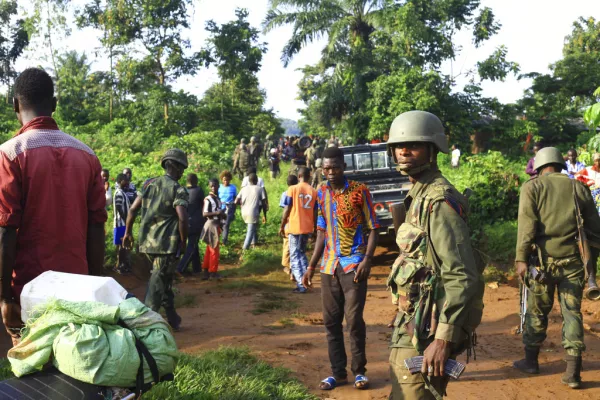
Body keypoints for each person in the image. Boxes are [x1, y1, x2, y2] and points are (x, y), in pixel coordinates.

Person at [0, 68, 107, 343]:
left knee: (33, 372)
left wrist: (5, 297)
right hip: (78, 289)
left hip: (30, 291)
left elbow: (5, 231)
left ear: (15, 105)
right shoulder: (88, 156)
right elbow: (97, 227)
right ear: (55, 104)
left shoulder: (10, 154)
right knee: (74, 368)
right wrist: (95, 287)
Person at [385, 111, 484, 400]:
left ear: (433, 149)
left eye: (414, 145)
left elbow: (461, 274)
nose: (404, 150)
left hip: (430, 328)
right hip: (415, 320)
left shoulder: (438, 201)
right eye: (399, 146)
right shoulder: (419, 193)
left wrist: (443, 337)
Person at [513, 147, 600, 389]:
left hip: (541, 264)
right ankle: (573, 373)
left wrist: (521, 258)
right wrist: (591, 263)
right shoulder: (578, 187)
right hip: (573, 263)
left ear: (539, 167)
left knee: (537, 312)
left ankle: (531, 362)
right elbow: (595, 229)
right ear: (561, 165)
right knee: (572, 313)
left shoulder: (532, 187)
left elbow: (526, 227)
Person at [302, 146, 380, 392]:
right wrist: (311, 265)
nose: (330, 172)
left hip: (354, 264)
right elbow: (321, 231)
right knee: (331, 322)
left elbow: (373, 227)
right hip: (329, 266)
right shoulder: (322, 191)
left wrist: (367, 259)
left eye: (334, 167)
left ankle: (359, 372)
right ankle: (338, 373)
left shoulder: (359, 191)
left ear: (343, 167)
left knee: (354, 320)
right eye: (326, 168)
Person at [123, 149, 189, 331]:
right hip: (165, 245)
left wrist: (128, 232)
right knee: (157, 283)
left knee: (163, 278)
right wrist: (183, 242)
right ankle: (144, 325)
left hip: (147, 244)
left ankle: (173, 318)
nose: (182, 172)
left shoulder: (148, 184)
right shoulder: (178, 189)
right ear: (174, 167)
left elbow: (133, 209)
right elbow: (182, 218)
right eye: (181, 168)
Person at [280, 167, 317, 293]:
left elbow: (287, 208)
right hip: (307, 227)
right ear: (309, 176)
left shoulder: (292, 189)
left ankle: (301, 285)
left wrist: (282, 225)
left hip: (294, 227)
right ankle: (307, 280)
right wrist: (315, 228)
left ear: (299, 175)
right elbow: (315, 212)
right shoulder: (313, 191)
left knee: (295, 256)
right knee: (302, 254)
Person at [176, 173, 205, 276]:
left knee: (193, 245)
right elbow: (203, 205)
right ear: (196, 181)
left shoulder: (182, 191)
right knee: (191, 247)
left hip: (183, 222)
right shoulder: (199, 191)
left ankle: (197, 269)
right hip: (195, 223)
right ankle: (180, 268)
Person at [236, 173, 268, 251]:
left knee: (252, 228)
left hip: (244, 212)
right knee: (250, 231)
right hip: (253, 212)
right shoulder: (260, 189)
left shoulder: (243, 189)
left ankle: (253, 244)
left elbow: (236, 201)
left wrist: (242, 205)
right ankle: (244, 250)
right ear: (257, 180)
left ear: (249, 180)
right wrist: (264, 215)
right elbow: (264, 204)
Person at [201, 178, 224, 280]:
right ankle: (213, 273)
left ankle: (206, 270)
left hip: (216, 225)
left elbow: (218, 212)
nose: (213, 187)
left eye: (215, 185)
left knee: (210, 249)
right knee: (214, 249)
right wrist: (217, 213)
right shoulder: (208, 199)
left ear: (219, 186)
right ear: (209, 187)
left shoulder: (217, 199)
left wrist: (222, 217)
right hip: (211, 225)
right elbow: (205, 213)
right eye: (211, 186)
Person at [280, 175, 299, 279]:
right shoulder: (300, 193)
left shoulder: (285, 194)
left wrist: (282, 225)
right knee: (296, 247)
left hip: (288, 223)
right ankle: (293, 269)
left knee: (287, 245)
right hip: (298, 223)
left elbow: (285, 209)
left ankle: (288, 267)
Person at [113, 173, 132, 275]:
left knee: (123, 246)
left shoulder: (121, 192)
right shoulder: (119, 193)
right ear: (120, 181)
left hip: (123, 223)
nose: (127, 182)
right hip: (121, 224)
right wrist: (126, 219)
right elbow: (119, 208)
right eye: (126, 180)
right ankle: (119, 266)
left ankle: (121, 265)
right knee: (121, 246)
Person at [218, 170, 238, 245]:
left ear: (230, 179)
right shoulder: (219, 187)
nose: (226, 181)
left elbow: (235, 198)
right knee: (220, 224)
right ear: (222, 180)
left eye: (227, 180)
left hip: (229, 208)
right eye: (224, 180)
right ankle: (218, 240)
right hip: (220, 207)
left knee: (226, 224)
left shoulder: (233, 188)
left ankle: (224, 241)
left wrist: (234, 208)